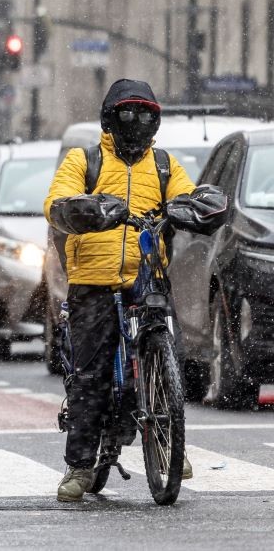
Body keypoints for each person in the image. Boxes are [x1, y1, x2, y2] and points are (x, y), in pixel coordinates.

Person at [44, 78, 225, 503]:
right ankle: (80, 465)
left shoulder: (163, 165)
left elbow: (186, 196)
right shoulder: (83, 159)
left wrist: (199, 205)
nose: (137, 122)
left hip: (147, 278)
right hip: (93, 283)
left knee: (171, 354)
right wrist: (91, 208)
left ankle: (169, 443)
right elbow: (57, 203)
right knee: (92, 377)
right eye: (128, 113)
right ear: (110, 118)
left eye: (146, 115)